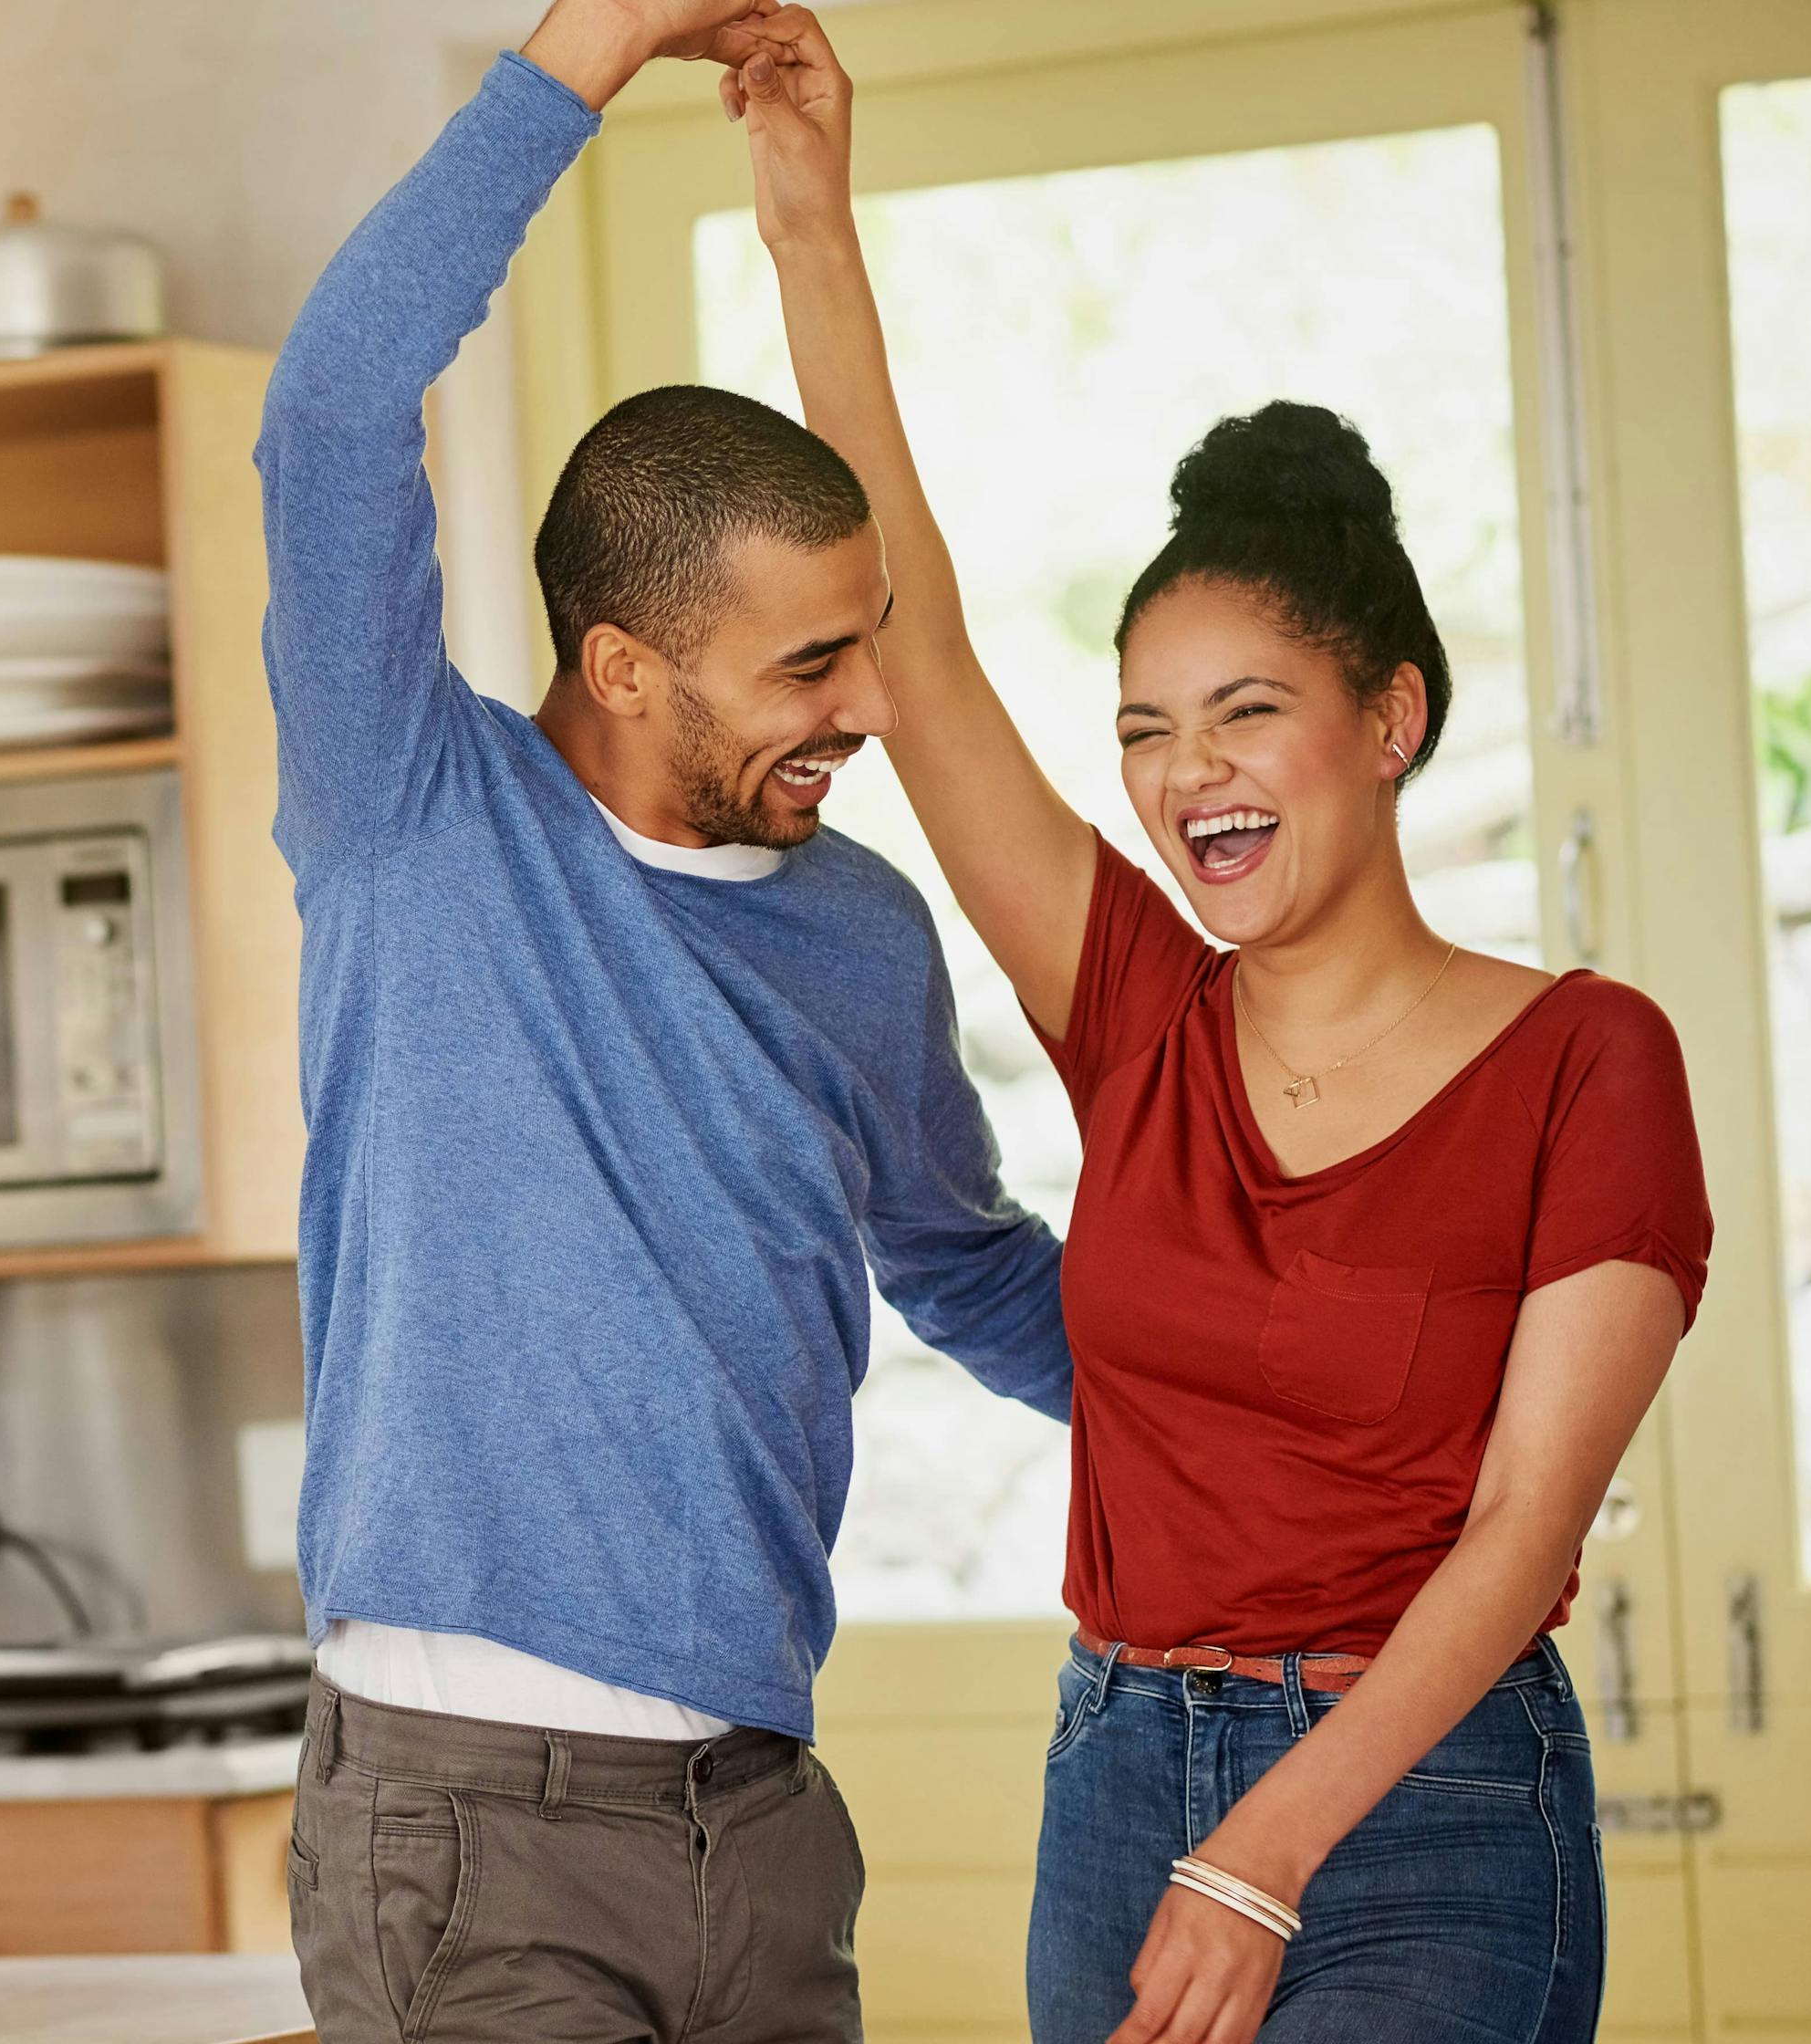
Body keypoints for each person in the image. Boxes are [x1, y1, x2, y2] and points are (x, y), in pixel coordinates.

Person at [721, 14, 1713, 2043]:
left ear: (1393, 720)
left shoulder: (1592, 1063)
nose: (1190, 779)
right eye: (1147, 735)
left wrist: (1267, 1847)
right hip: (1112, 1778)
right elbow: (908, 642)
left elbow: (1525, 1537)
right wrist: (809, 215)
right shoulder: (1136, 1013)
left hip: (1424, 1801)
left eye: (1245, 713)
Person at [255, 3, 1077, 2039]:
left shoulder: (862, 935)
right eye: (810, 666)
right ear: (625, 668)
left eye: (866, 647)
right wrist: (590, 50)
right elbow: (334, 415)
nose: (867, 710)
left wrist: (1315, 1409)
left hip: (765, 1818)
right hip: (466, 1833)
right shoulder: (414, 822)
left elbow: (973, 1274)